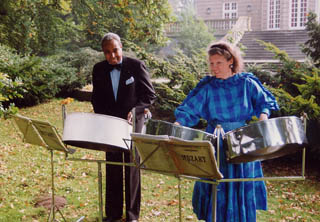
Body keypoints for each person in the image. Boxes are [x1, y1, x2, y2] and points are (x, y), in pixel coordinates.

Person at [174, 41, 279, 222]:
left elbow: (265, 102)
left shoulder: (246, 83)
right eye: (211, 63)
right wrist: (177, 123)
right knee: (217, 187)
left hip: (243, 142)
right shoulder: (208, 87)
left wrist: (263, 116)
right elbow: (189, 109)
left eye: (219, 63)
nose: (214, 68)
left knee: (239, 185)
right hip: (216, 144)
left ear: (231, 61)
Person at [91, 32, 156, 222]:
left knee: (131, 168)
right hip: (110, 125)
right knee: (112, 167)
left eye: (115, 51)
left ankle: (132, 215)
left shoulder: (136, 66)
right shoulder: (99, 69)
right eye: (107, 52)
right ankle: (112, 213)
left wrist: (136, 110)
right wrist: (102, 118)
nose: (112, 56)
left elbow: (149, 95)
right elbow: (96, 98)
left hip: (132, 123)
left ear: (121, 47)